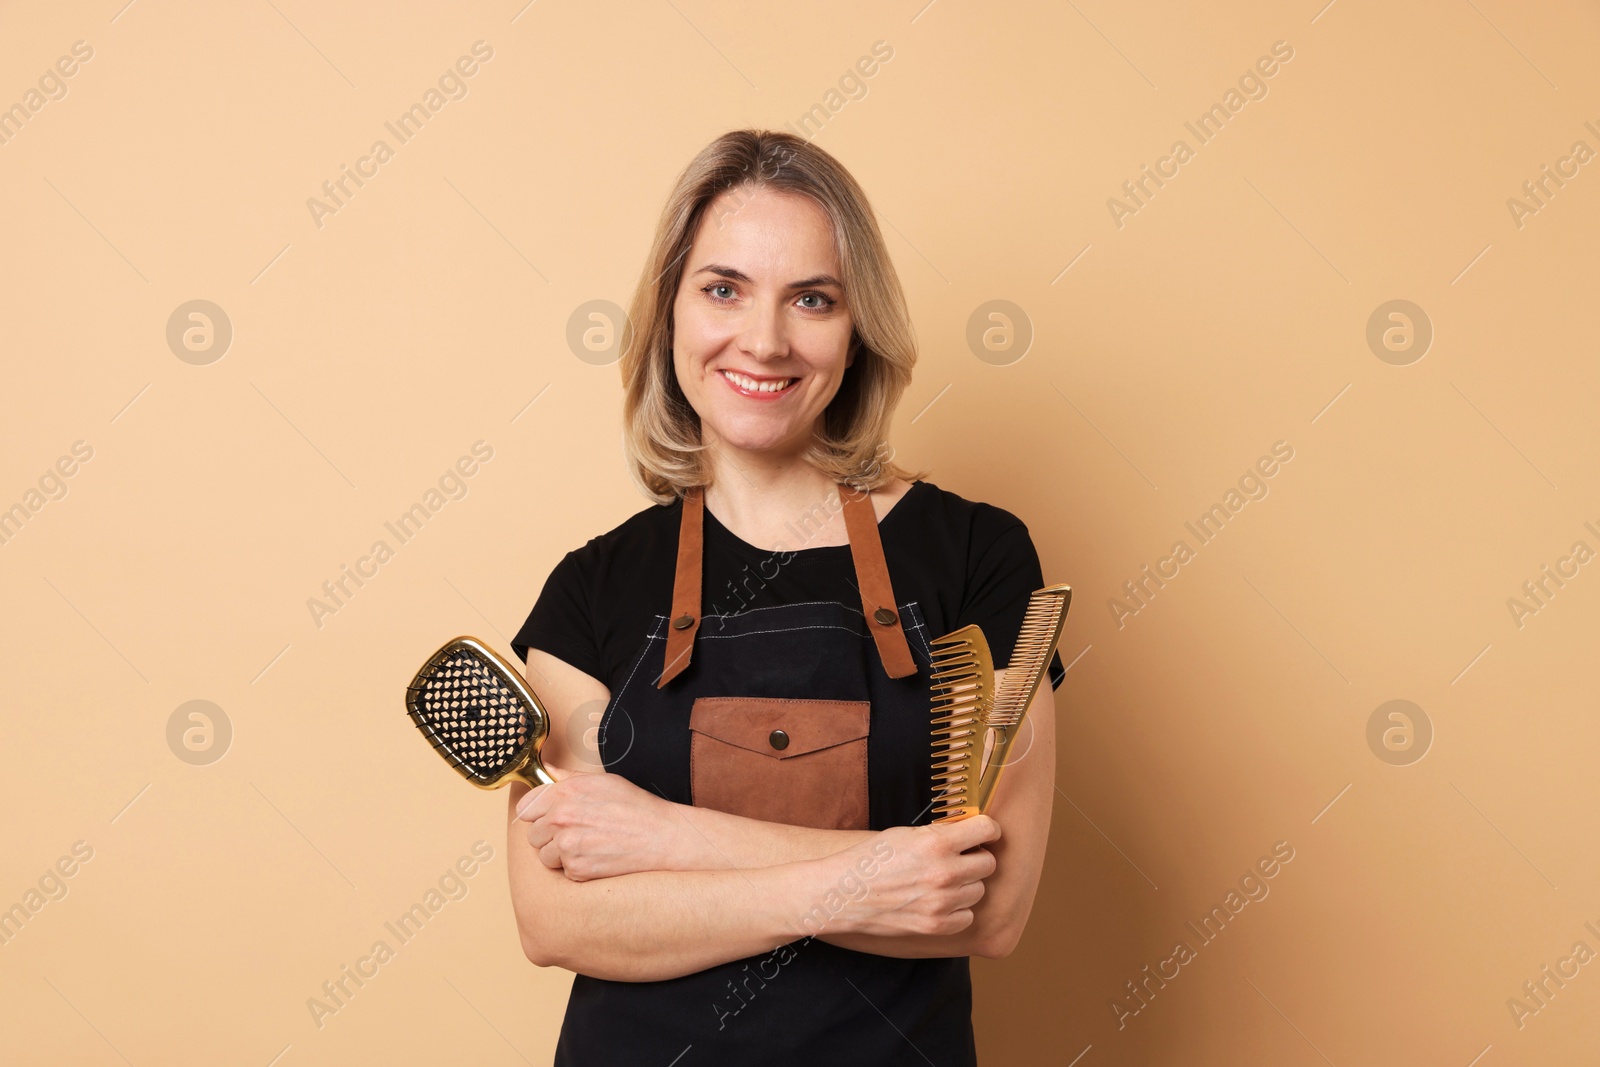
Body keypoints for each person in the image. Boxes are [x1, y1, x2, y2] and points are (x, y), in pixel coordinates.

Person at [506, 128, 1065, 1066]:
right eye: (723, 288)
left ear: (858, 330)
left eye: (812, 299)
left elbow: (990, 907)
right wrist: (865, 881)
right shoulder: (591, 588)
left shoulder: (976, 556)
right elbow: (555, 917)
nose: (763, 340)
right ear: (670, 314)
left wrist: (664, 837)